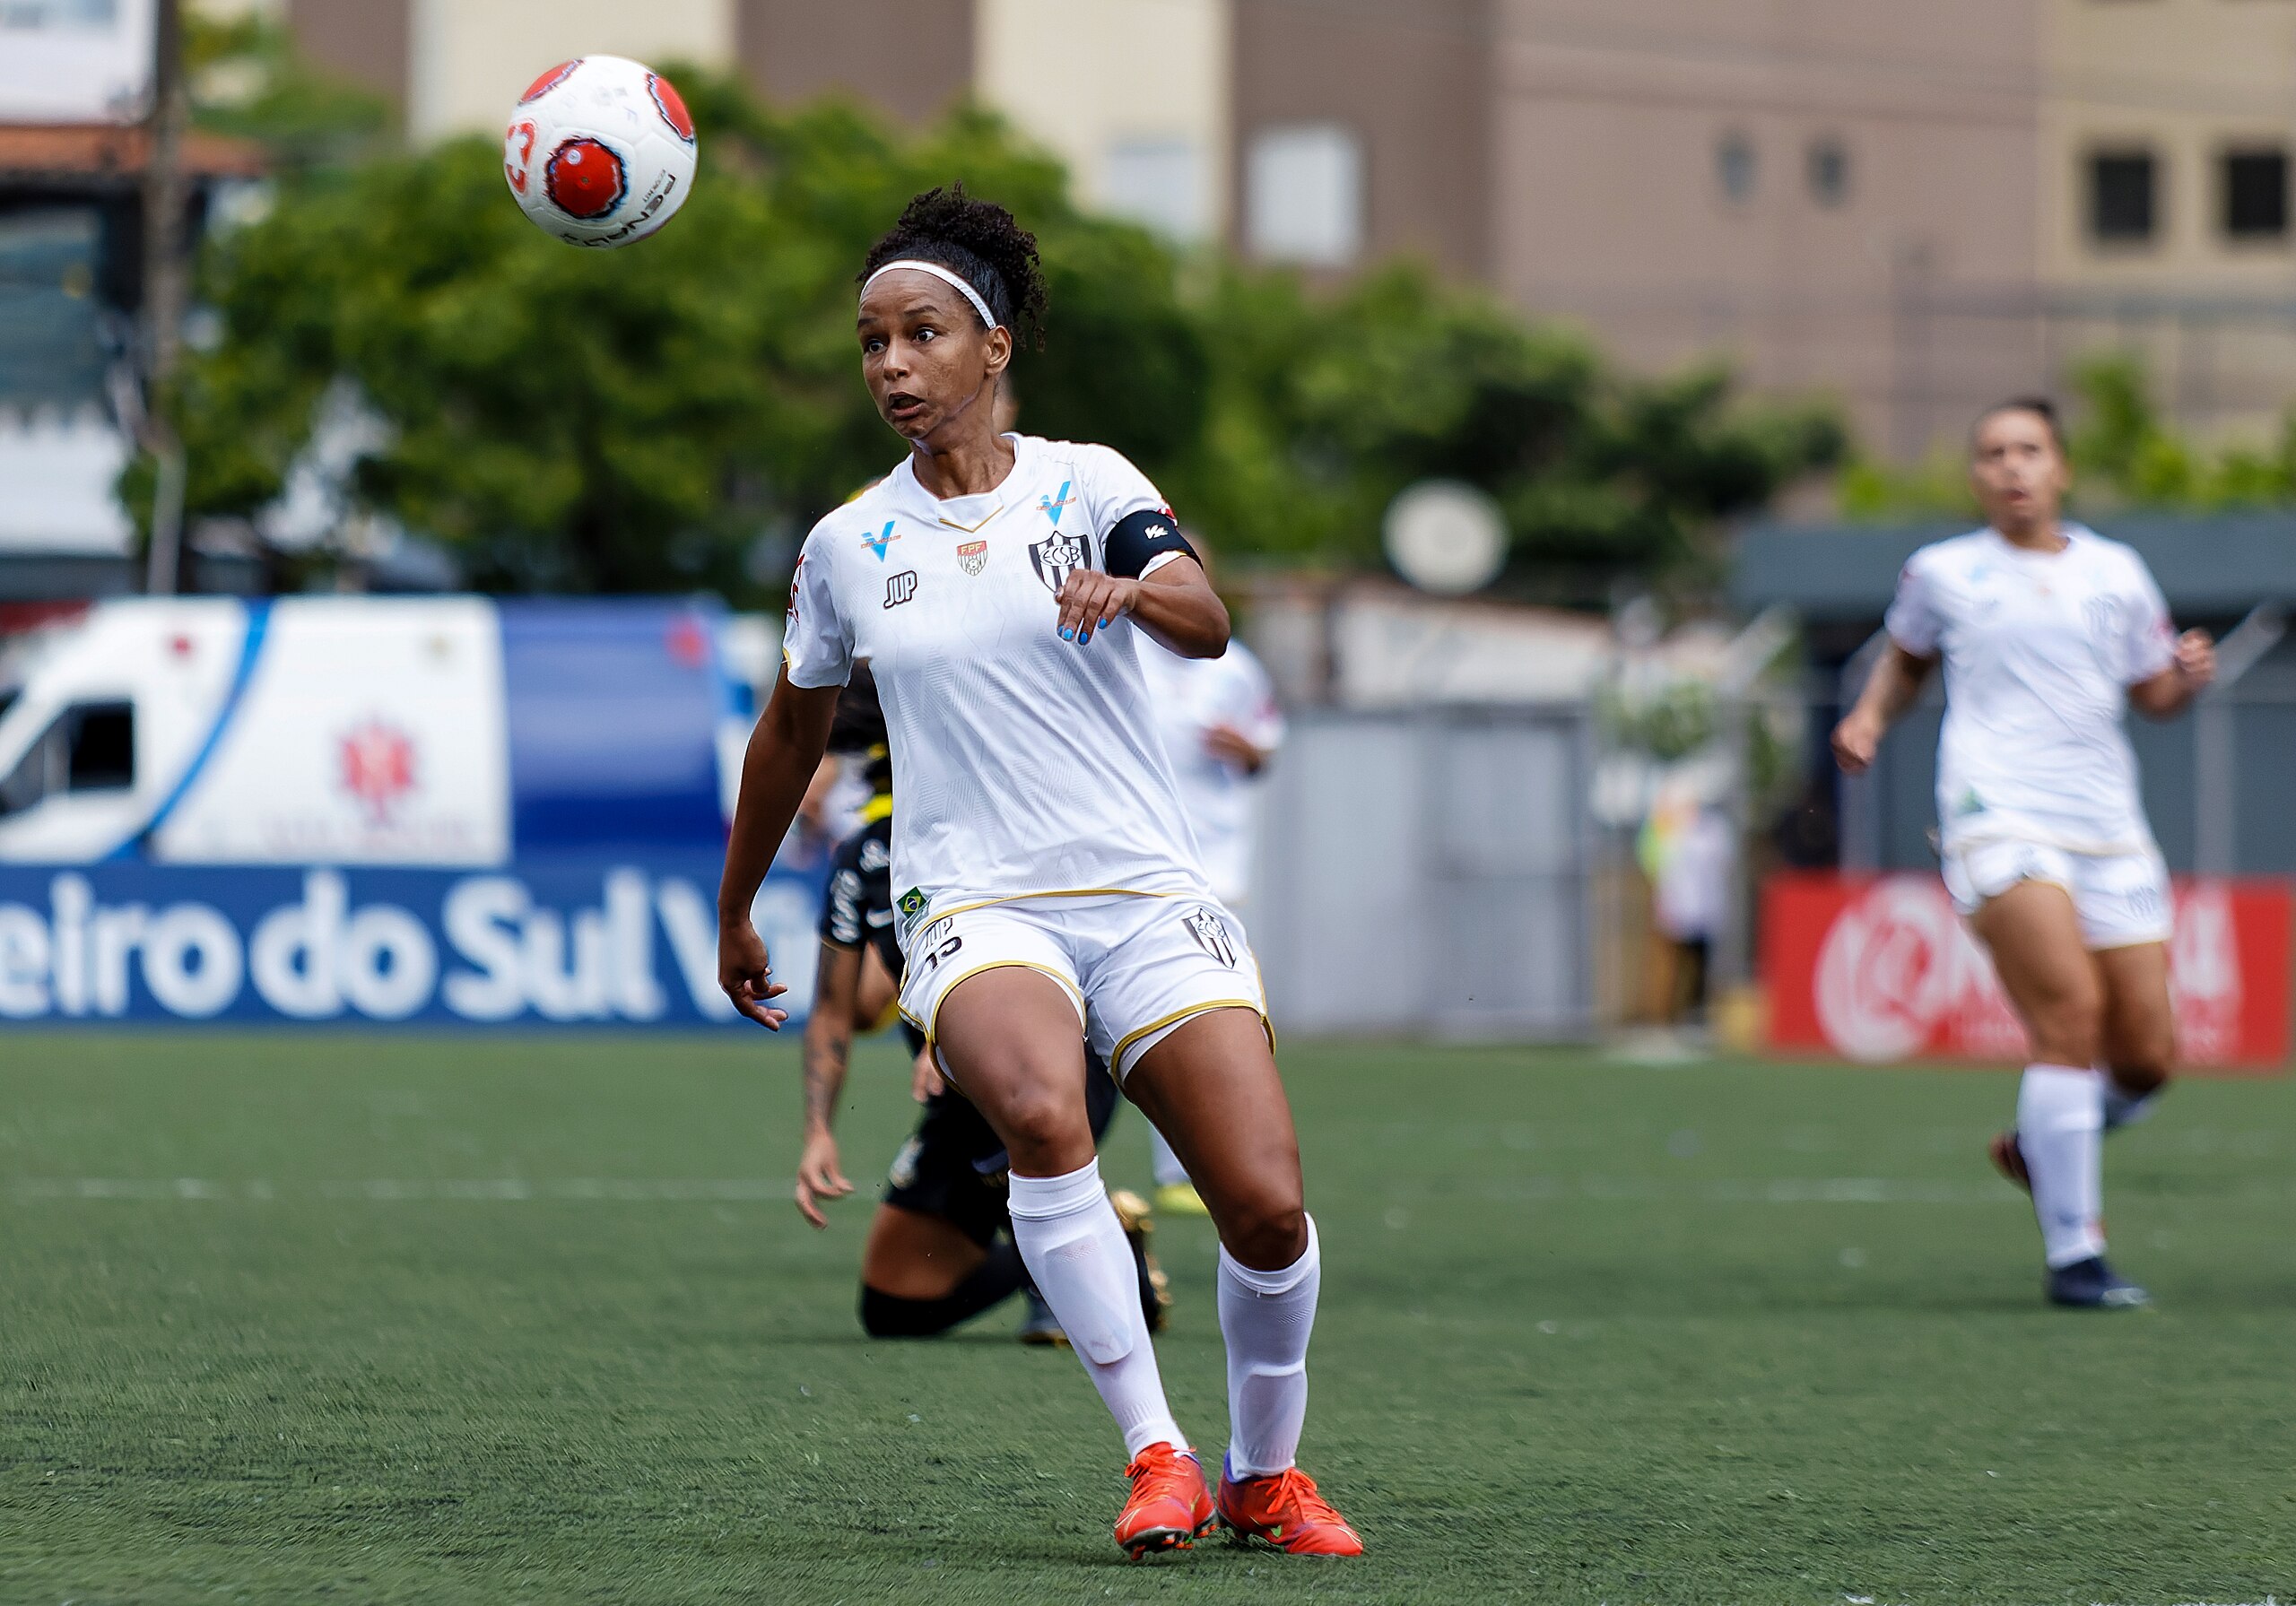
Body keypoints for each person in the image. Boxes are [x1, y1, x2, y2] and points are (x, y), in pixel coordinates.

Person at [718, 185, 1360, 1560]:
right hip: (974, 900)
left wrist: (1132, 590)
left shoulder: (1091, 484)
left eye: (922, 334)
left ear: (993, 347)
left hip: (1140, 887)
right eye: (872, 340)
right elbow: (789, 735)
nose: (892, 363)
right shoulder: (845, 547)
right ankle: (1158, 1453)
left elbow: (1202, 611)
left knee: (1267, 1199)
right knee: (1038, 1114)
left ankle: (1266, 1472)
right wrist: (736, 910)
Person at [1832, 397, 2215, 1309]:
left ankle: (2035, 1147)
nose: (2011, 467)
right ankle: (2075, 1257)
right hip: (1994, 813)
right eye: (1993, 453)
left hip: (2109, 830)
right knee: (2068, 1016)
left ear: (2061, 469)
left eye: (2029, 451)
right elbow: (1906, 658)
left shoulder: (2116, 572)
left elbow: (2151, 694)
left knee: (2148, 1060)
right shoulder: (1943, 572)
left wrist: (2186, 678)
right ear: (1974, 477)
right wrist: (1868, 717)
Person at [795, 667, 1166, 1345]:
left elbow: (998, 955)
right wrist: (820, 1129)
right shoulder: (864, 860)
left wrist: (943, 1044)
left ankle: (1073, 1276)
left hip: (1051, 1070)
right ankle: (1112, 1257)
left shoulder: (993, 841)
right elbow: (833, 1010)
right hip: (956, 1097)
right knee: (894, 1307)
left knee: (1006, 1134)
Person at [1135, 557, 1285, 1215]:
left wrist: (1246, 749)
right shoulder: (1124, 649)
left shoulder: (1235, 666)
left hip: (1212, 863)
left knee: (1205, 1009)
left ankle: (1189, 1170)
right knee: (1133, 1012)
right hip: (1133, 857)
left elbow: (1267, 745)